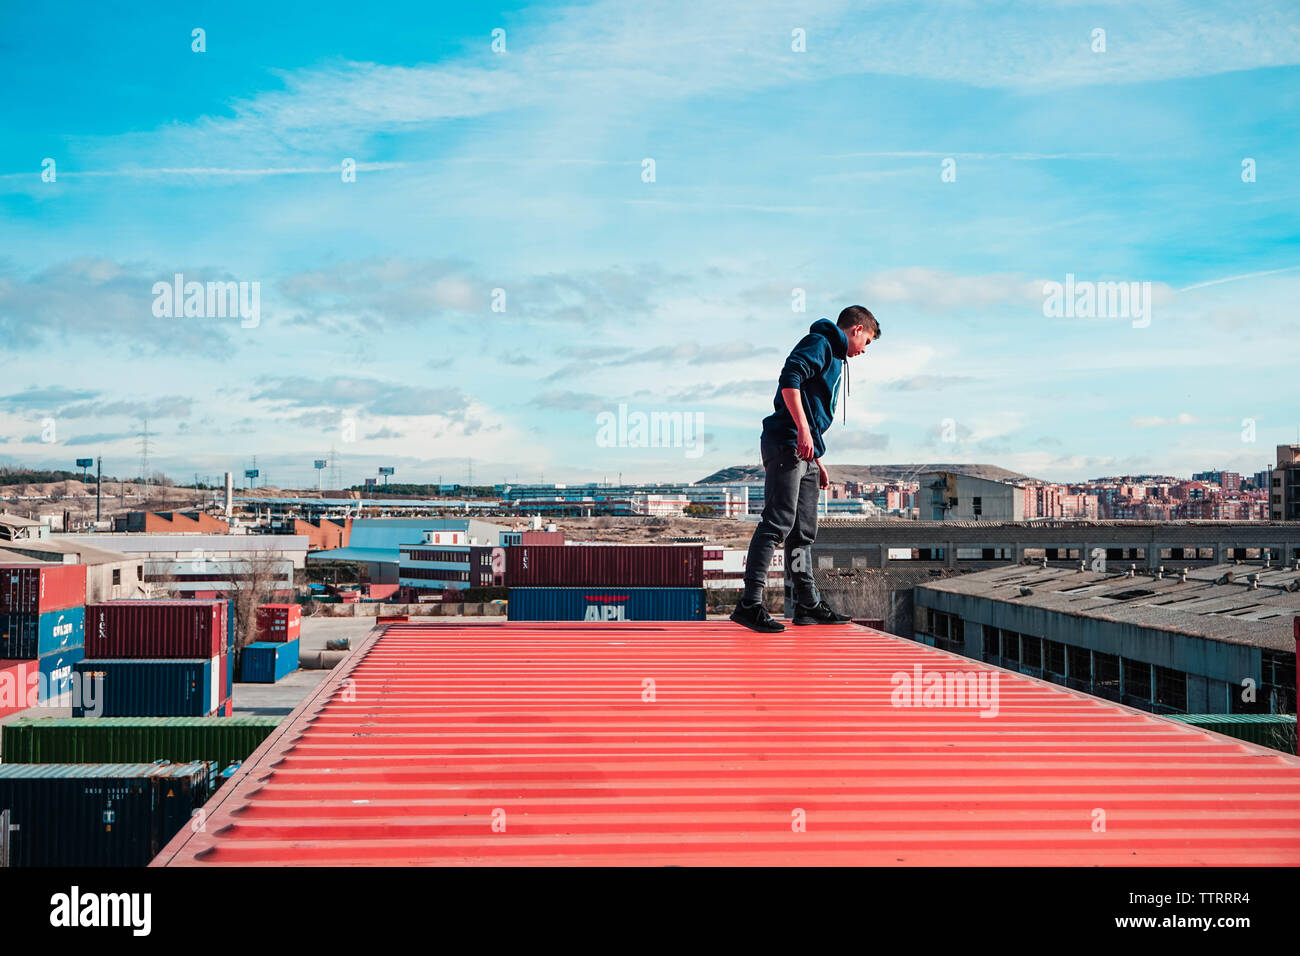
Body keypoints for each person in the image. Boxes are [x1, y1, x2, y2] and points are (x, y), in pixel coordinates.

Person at [730, 305, 880, 633]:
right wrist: (802, 430)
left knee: (802, 532)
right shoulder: (820, 342)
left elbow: (811, 411)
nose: (864, 350)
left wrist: (817, 461)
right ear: (856, 329)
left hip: (806, 452)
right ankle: (750, 603)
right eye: (866, 342)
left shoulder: (834, 356)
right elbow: (790, 378)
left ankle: (807, 605)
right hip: (786, 441)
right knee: (777, 523)